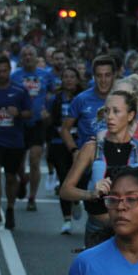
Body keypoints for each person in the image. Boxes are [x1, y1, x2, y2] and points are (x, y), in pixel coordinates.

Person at [60, 89, 138, 247]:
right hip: (98, 229)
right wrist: (91, 193)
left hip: (134, 231)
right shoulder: (91, 149)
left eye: (116, 111)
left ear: (130, 115)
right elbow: (65, 190)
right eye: (107, 111)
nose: (110, 117)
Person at [0, 54, 32, 229]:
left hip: (14, 141)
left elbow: (29, 113)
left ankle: (10, 209)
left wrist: (18, 113)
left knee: (11, 177)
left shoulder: (20, 91)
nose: (1, 74)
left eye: (5, 71)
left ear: (9, 71)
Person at [10, 45, 55, 210]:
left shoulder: (45, 75)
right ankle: (23, 179)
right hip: (19, 124)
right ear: (21, 58)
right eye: (25, 55)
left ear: (37, 57)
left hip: (37, 123)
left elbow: (53, 95)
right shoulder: (15, 76)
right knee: (18, 164)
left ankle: (32, 197)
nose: (28, 57)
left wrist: (48, 110)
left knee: (35, 160)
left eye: (31, 54)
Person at [47, 66, 84, 233]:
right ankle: (66, 220)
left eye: (72, 77)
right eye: (66, 77)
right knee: (63, 178)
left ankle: (76, 200)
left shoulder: (83, 98)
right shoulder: (56, 99)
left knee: (80, 178)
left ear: (77, 80)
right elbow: (52, 121)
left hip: (79, 143)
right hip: (58, 142)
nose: (69, 80)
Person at [61, 55, 117, 157]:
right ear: (93, 77)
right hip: (88, 161)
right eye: (99, 75)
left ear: (114, 76)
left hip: (116, 157)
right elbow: (65, 129)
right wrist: (74, 151)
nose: (103, 80)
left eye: (107, 75)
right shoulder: (81, 99)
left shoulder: (122, 99)